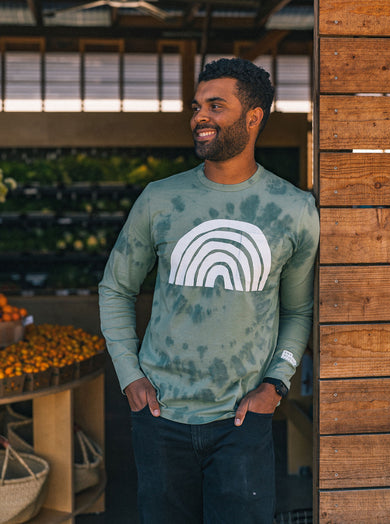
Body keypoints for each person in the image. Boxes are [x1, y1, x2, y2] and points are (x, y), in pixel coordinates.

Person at [99, 57, 319, 524]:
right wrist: (130, 377)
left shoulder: (295, 209)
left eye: (215, 106)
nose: (199, 116)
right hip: (160, 417)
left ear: (253, 117)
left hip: (243, 423)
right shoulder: (160, 199)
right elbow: (115, 288)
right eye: (197, 106)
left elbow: (298, 311)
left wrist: (275, 387)